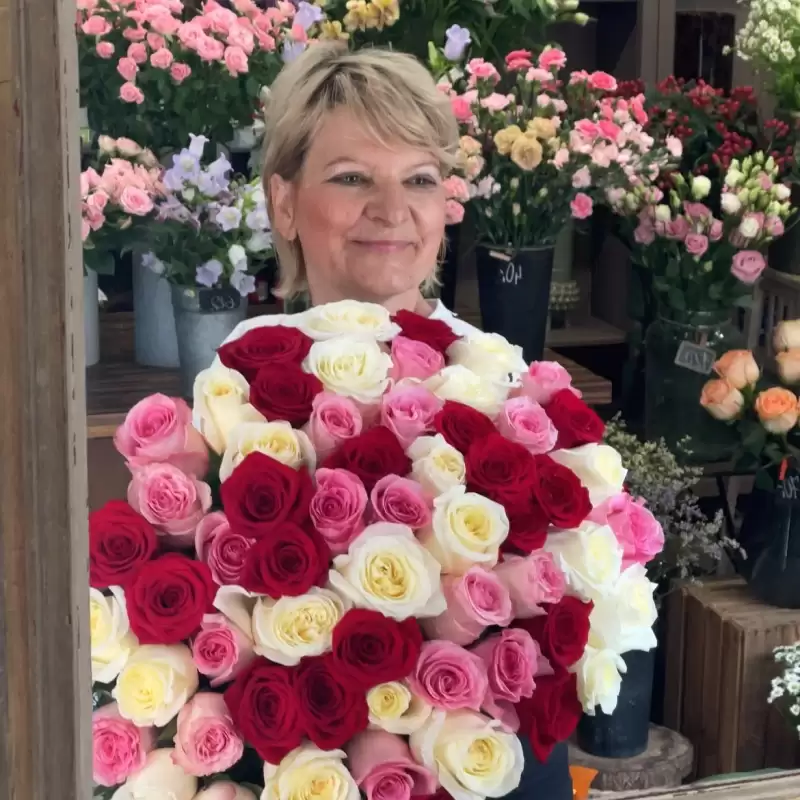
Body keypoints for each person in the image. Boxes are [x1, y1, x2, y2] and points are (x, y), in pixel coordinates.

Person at [246, 42, 573, 799]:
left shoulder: (503, 387)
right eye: (352, 177)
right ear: (284, 203)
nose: (392, 210)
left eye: (419, 179)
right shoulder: (231, 395)